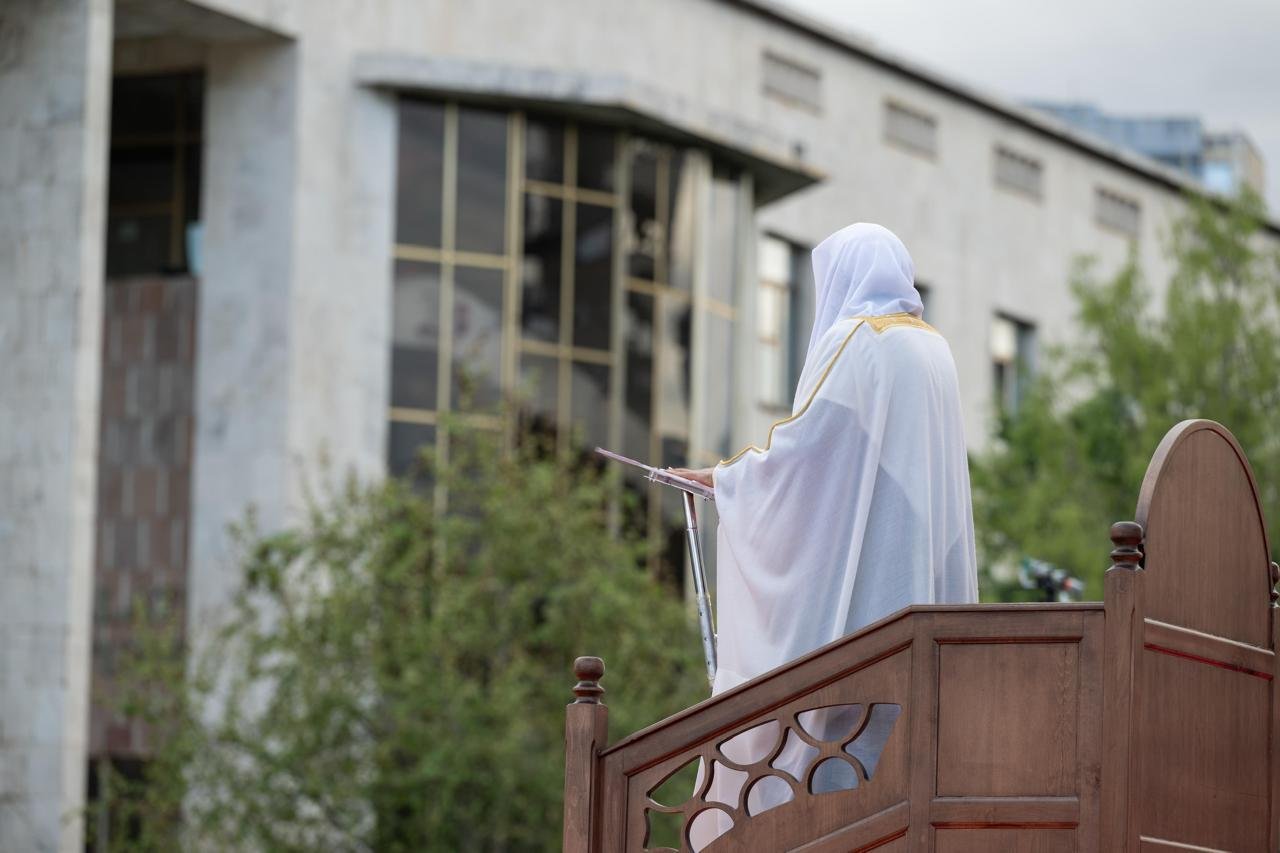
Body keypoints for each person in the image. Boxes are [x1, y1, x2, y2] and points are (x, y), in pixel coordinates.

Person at [673, 223, 977, 845]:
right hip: (921, 577)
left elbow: (806, 455)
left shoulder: (858, 342)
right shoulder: (934, 349)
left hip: (867, 582)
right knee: (886, 754)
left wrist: (725, 481)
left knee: (824, 745)